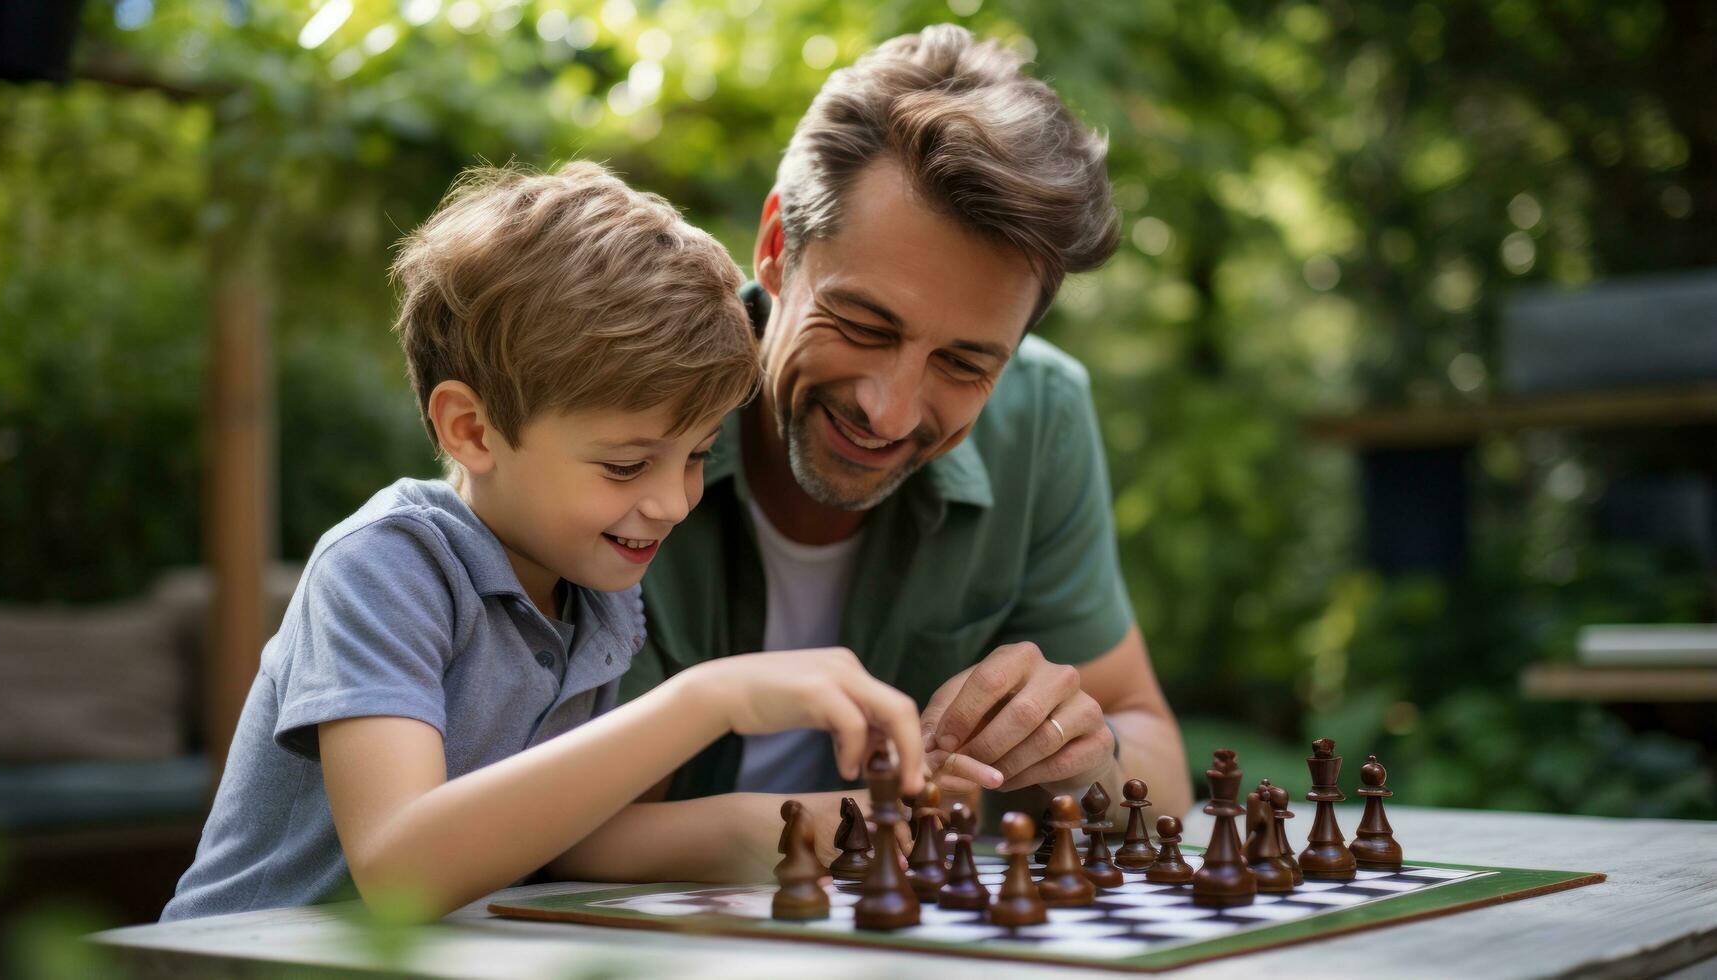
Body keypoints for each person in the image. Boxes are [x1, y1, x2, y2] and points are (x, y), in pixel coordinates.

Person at [161, 163, 926, 923]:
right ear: (471, 429)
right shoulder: (388, 566)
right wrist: (706, 699)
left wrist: (845, 820)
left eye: (697, 455)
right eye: (625, 464)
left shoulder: (599, 593)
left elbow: (579, 844)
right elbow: (400, 870)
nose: (672, 501)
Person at [618, 25, 1192, 826]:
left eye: (963, 365)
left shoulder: (1040, 417)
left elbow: (1153, 757)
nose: (887, 411)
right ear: (777, 247)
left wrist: (1083, 759)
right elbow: (520, 812)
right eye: (861, 324)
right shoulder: (610, 406)